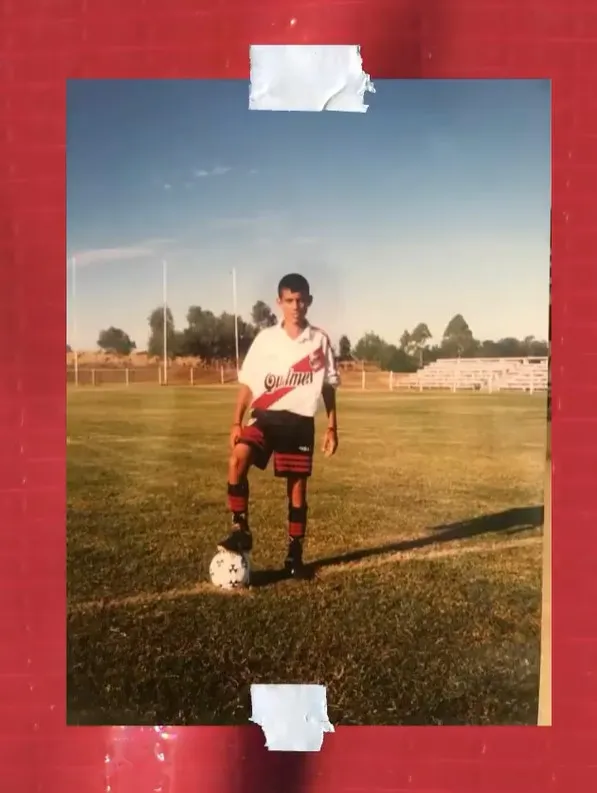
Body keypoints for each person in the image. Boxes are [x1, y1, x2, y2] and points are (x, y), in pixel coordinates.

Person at [218, 273, 340, 578]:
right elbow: (247, 384)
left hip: (299, 422)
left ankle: (294, 556)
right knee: (237, 460)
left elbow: (328, 388)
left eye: (301, 300)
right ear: (279, 303)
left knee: (297, 491)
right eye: (289, 300)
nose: (296, 306)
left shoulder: (320, 341)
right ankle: (240, 528)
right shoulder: (266, 339)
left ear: (309, 301)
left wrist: (332, 428)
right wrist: (236, 421)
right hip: (266, 416)